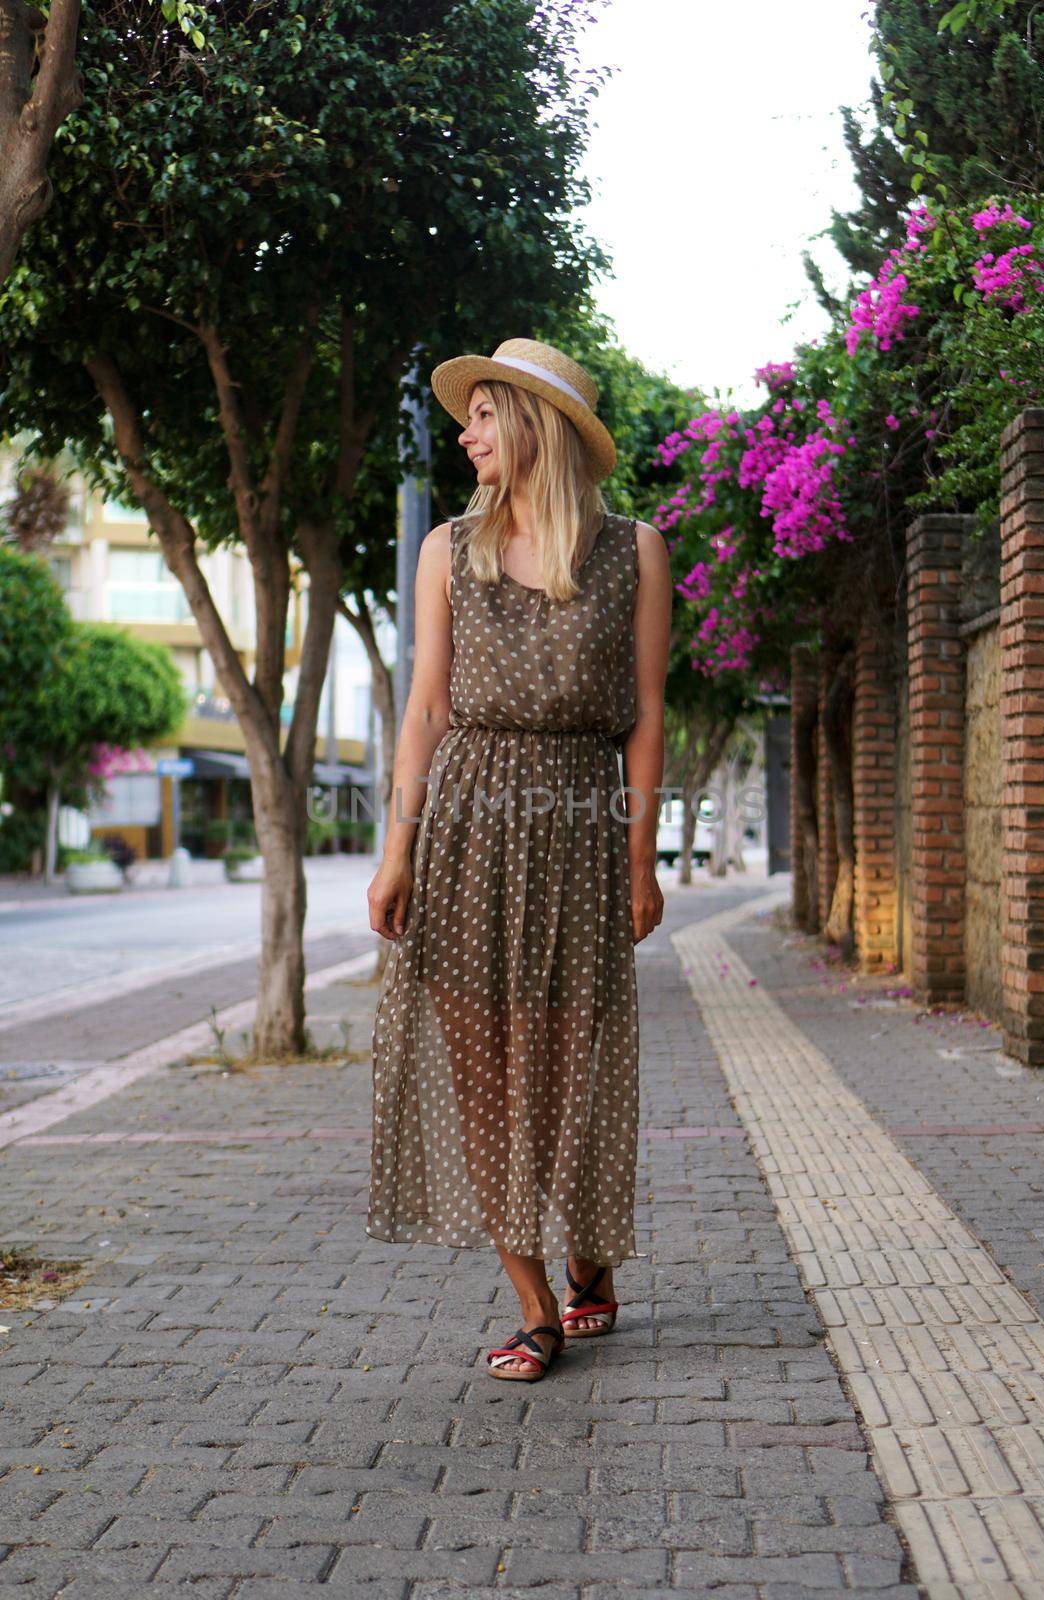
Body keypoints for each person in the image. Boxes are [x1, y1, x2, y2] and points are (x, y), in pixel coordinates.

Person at [366, 336, 670, 1380]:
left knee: (561, 1076)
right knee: (482, 1074)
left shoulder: (634, 550)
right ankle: (533, 1302)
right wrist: (396, 849)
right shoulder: (449, 548)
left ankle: (589, 1254)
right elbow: (426, 708)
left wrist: (642, 860)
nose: (466, 433)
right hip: (467, 829)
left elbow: (645, 715)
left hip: (581, 827)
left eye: (485, 414)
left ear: (534, 424)